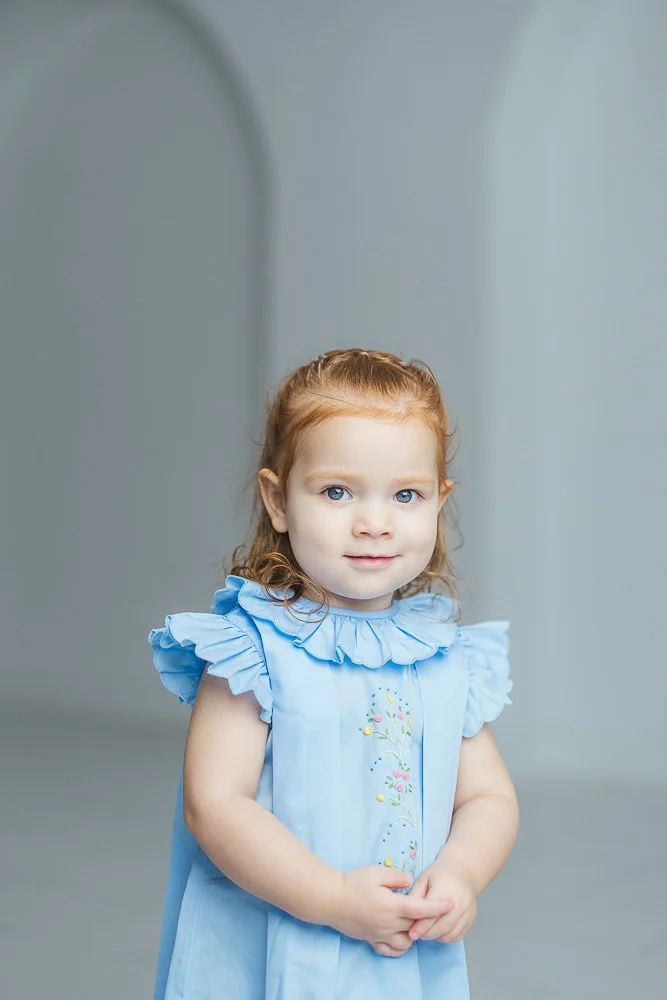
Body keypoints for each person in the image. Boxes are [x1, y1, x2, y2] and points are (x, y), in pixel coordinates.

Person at [148, 348, 518, 1000]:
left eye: (406, 495)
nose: (374, 523)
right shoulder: (252, 648)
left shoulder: (443, 654)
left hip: (397, 945)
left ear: (439, 502)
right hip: (270, 942)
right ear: (278, 499)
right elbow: (215, 804)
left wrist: (461, 872)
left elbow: (488, 796)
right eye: (337, 492)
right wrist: (332, 898)